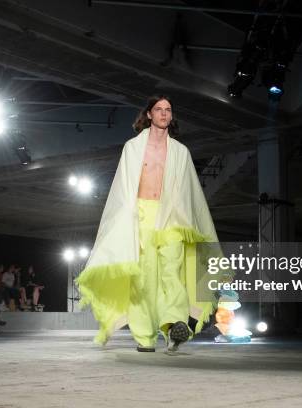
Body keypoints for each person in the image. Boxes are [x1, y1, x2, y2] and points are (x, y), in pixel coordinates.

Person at [76, 95, 220, 352]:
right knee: (142, 280)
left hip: (172, 218)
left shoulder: (181, 152)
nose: (164, 113)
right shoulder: (132, 147)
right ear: (149, 115)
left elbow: (190, 193)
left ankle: (175, 325)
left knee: (171, 273)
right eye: (159, 109)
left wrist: (189, 221)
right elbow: (122, 188)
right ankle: (144, 337)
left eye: (168, 109)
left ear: (171, 116)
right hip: (140, 215)